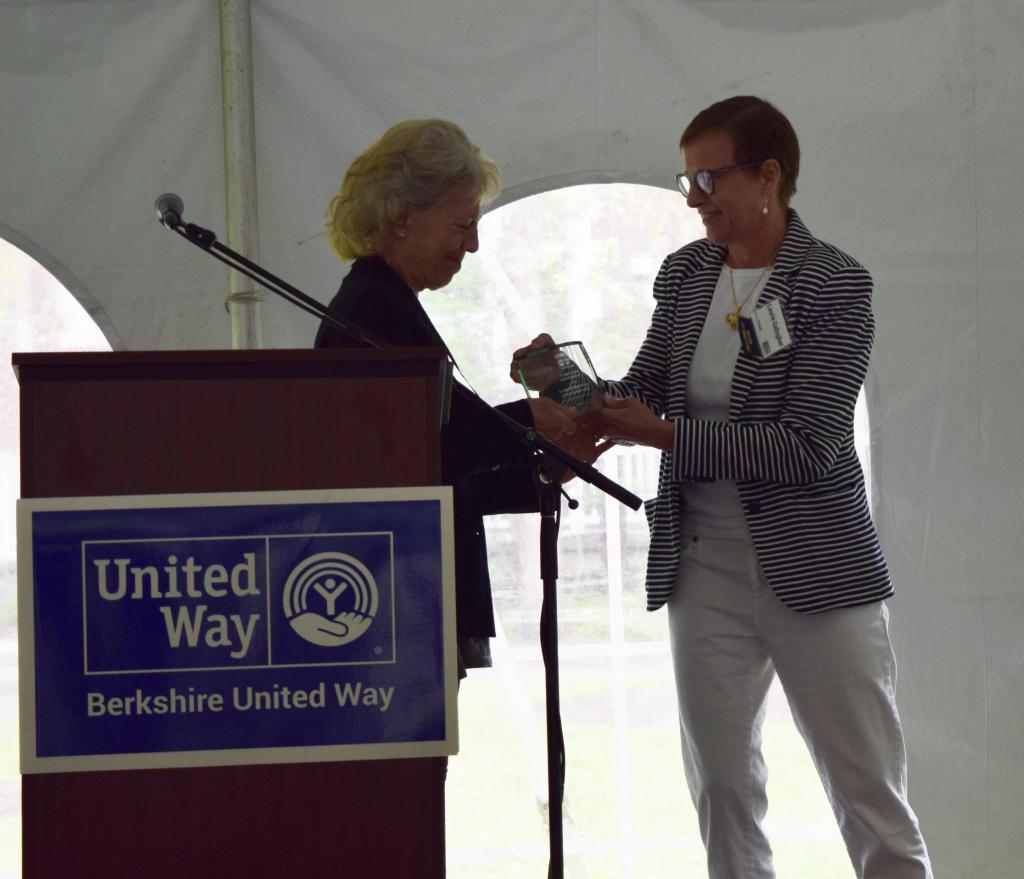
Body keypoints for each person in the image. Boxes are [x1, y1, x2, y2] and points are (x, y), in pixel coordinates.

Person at [514, 96, 932, 878]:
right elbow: (642, 388)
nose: (694, 198)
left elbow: (809, 447)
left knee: (868, 794)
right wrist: (567, 389)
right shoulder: (687, 274)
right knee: (723, 791)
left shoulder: (835, 285)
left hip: (818, 571)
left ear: (769, 175)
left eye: (709, 177)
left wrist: (662, 434)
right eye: (687, 181)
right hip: (701, 565)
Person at [315, 117, 594, 674]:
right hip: (390, 598)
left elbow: (443, 463)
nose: (472, 244)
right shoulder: (372, 310)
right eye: (463, 224)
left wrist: (544, 472)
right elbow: (394, 464)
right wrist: (525, 421)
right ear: (401, 218)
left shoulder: (388, 302)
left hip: (406, 593)